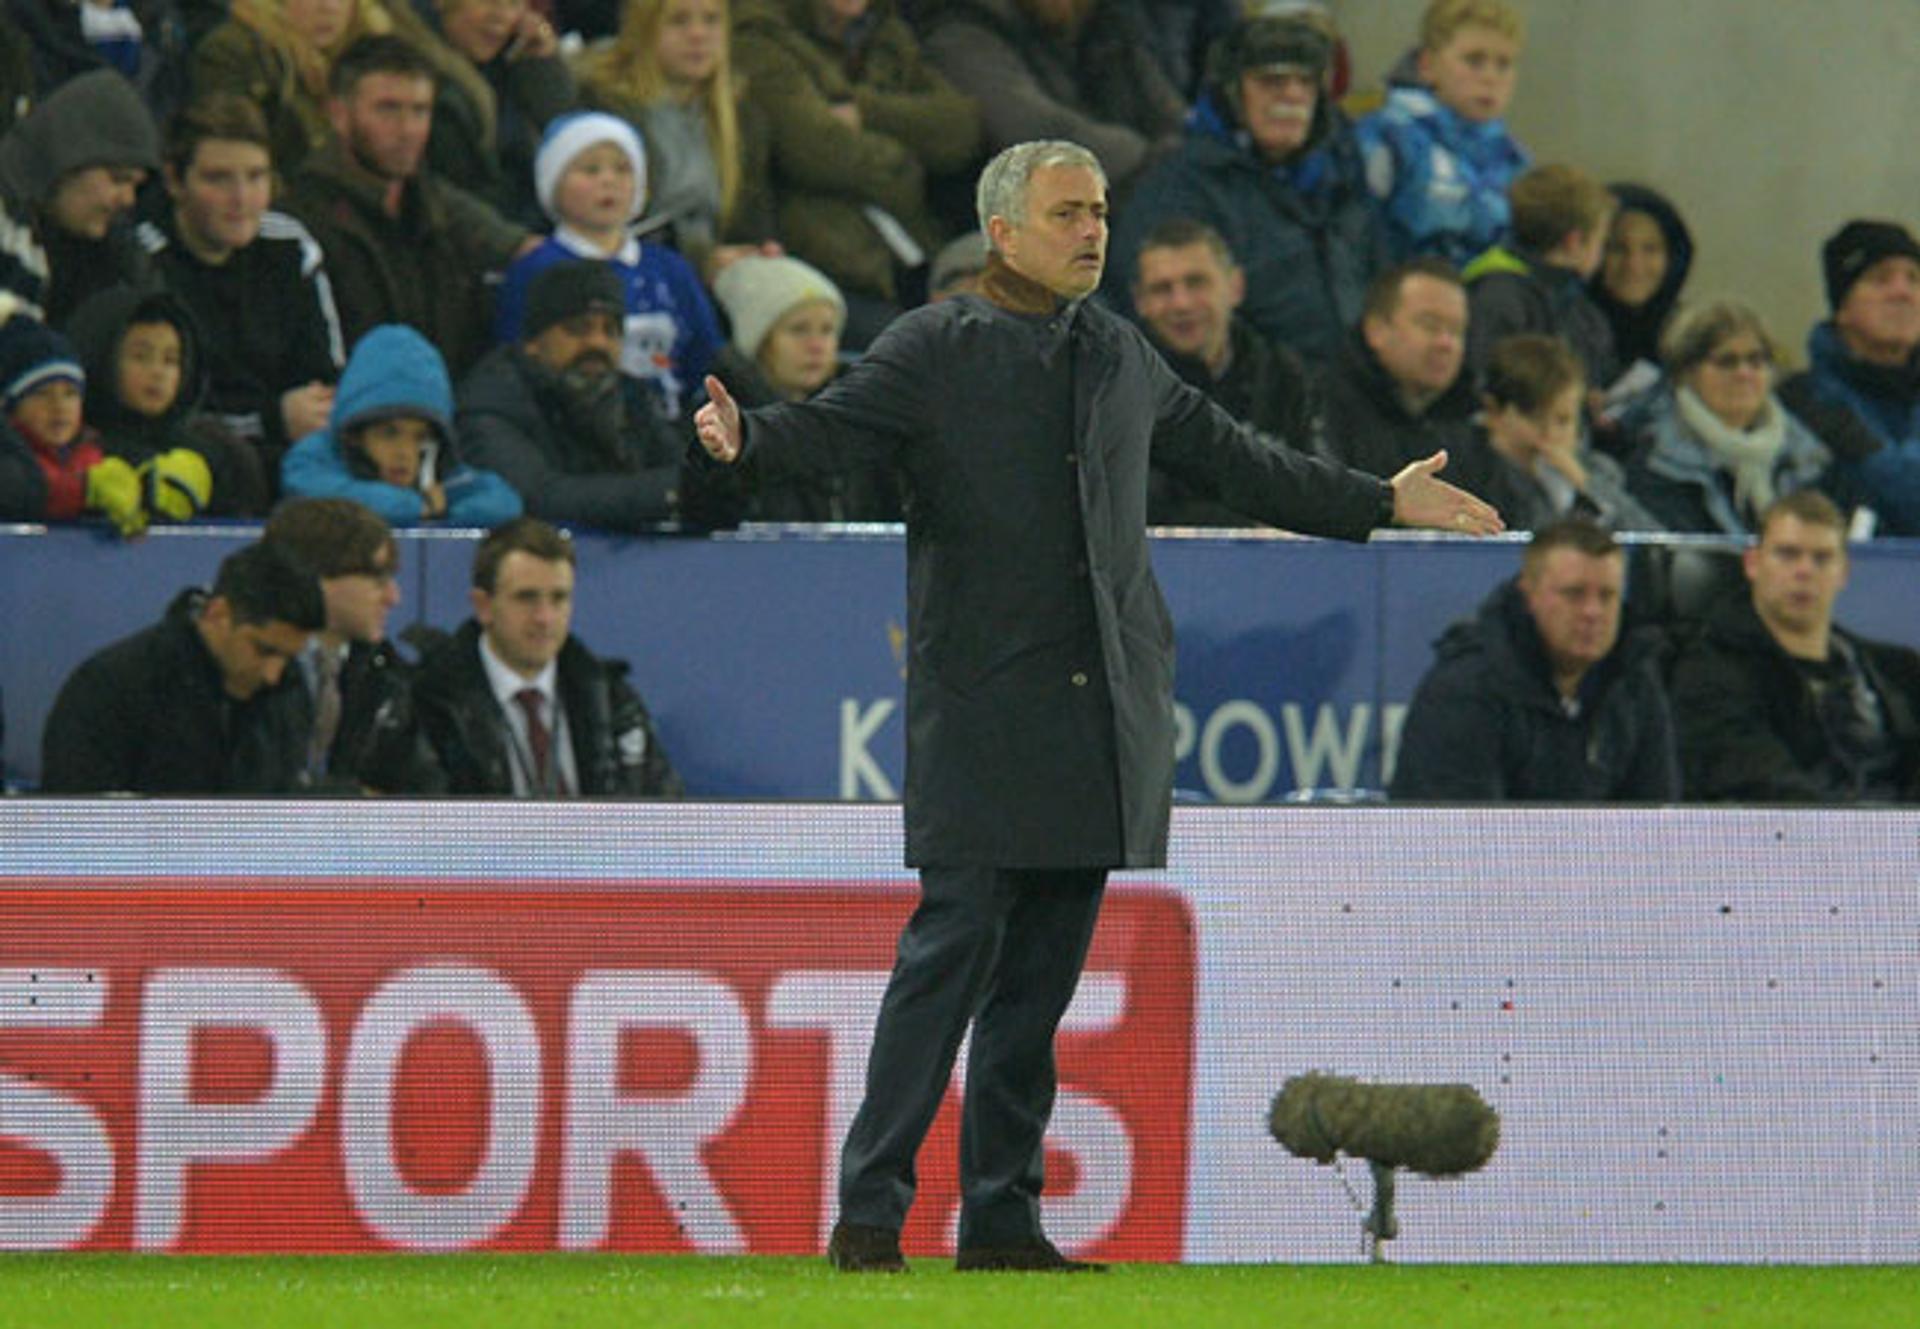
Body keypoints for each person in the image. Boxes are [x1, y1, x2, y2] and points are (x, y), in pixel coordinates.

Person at [692, 138, 1500, 1273]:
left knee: (1036, 991)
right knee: (948, 965)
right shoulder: (933, 346)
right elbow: (823, 432)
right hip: (982, 709)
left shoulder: (1120, 353)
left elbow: (1238, 459)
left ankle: (1003, 1220)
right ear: (1004, 233)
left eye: (1100, 211)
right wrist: (746, 442)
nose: (1093, 231)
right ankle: (870, 1214)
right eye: (1069, 212)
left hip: (1097, 711)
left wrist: (1377, 500)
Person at [1103, 10, 1385, 365]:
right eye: (1272, 82)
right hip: (1251, 395)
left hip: (1357, 387)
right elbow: (1156, 318)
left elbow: (1384, 278)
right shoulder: (1183, 188)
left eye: (1306, 82)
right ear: (1234, 92)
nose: (1292, 96)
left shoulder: (1343, 175)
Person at [282, 34, 532, 377]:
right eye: (388, 109)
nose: (408, 129)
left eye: (420, 111)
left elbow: (524, 249)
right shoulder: (301, 219)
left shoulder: (439, 206)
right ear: (339, 115)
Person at [1391, 515, 1678, 802]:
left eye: (1607, 596)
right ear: (1528, 595)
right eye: (1574, 594)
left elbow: (1656, 821)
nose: (1592, 612)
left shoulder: (1635, 680)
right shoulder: (1467, 688)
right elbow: (1456, 835)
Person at [140, 92, 344, 492]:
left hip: (294, 461)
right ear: (173, 180)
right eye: (218, 179)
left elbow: (325, 381)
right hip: (188, 463)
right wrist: (268, 420)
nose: (242, 199)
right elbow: (159, 408)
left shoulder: (290, 246)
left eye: (256, 177)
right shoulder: (143, 257)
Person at [1669, 490, 1920, 802]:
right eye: (1787, 554)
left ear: (1843, 572)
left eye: (1822, 558)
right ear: (1753, 563)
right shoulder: (1709, 672)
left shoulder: (1897, 671)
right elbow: (1755, 781)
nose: (1805, 571)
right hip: (1790, 842)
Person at [732, 0, 978, 316]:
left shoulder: (886, 32)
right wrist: (905, 162)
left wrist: (868, 112)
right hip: (823, 262)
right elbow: (817, 149)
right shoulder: (758, 35)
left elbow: (961, 128)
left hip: (910, 246)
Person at [412, 515, 684, 796]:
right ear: (483, 606)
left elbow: (665, 812)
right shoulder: (432, 703)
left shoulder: (611, 699)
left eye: (559, 598)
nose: (545, 617)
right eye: (526, 598)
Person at [38, 538, 323, 793]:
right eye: (263, 650)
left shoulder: (289, 691)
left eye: (288, 657)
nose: (273, 675)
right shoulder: (110, 689)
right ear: (218, 613)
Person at [460, 258, 726, 531]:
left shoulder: (632, 396)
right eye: (578, 328)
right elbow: (535, 498)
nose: (597, 343)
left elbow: (683, 471)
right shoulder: (492, 401)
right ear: (533, 343)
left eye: (611, 330)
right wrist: (674, 492)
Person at [493, 110, 721, 422]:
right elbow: (514, 358)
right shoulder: (535, 270)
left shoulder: (669, 268)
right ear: (553, 184)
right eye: (589, 169)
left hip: (670, 430)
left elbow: (704, 353)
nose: (608, 180)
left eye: (623, 169)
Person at [1129, 216, 1317, 525]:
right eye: (1162, 289)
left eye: (1196, 282)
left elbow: (1314, 489)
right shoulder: (1120, 387)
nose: (1182, 303)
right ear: (1140, 302)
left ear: (1235, 286)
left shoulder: (1284, 377)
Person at [574, 0, 780, 279]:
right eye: (679, 21)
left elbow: (751, 218)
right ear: (643, 31)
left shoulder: (742, 115)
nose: (698, 35)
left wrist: (757, 251)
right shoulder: (605, 107)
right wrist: (701, 261)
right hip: (634, 271)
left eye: (711, 20)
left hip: (718, 272)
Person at [1624, 299, 1856, 537]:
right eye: (1727, 362)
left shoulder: (1808, 458)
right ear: (1686, 373)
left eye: (1756, 361)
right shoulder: (1657, 463)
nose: (1744, 373)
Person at [261, 495, 443, 792]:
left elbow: (422, 790)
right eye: (377, 579)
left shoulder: (383, 677)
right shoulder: (247, 668)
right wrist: (352, 798)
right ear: (317, 576)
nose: (393, 597)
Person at [919, 0, 1184, 200]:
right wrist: (1148, 160)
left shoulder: (1106, 23)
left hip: (1134, 192)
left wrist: (1185, 157)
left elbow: (1170, 115)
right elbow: (1036, 134)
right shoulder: (960, 32)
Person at [712, 251, 898, 521]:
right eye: (799, 330)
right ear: (760, 342)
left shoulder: (862, 416)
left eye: (827, 330)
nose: (816, 346)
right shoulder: (720, 423)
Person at [283, 322, 521, 524]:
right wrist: (414, 506)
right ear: (354, 434)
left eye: (420, 437)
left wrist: (450, 510)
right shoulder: (316, 456)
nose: (405, 453)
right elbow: (314, 491)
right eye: (389, 433)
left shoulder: (437, 472)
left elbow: (503, 502)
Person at [65, 283, 267, 515]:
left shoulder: (217, 457)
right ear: (101, 358)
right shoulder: (73, 453)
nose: (158, 373)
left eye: (171, 360)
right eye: (141, 357)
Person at [1354, 0, 1528, 266]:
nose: (1490, 77)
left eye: (1504, 64)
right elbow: (1354, 242)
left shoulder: (1513, 159)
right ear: (1427, 66)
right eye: (1474, 60)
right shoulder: (1387, 137)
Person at [1777, 220, 1920, 536]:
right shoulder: (1801, 403)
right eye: (1880, 279)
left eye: (1914, 278)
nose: (1903, 292)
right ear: (1842, 307)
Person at [0, 311, 191, 536]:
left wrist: (153, 486)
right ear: (11, 406)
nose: (59, 407)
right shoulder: (9, 457)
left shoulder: (97, 452)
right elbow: (18, 488)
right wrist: (83, 491)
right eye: (41, 394)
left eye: (70, 394)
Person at [0, 67, 159, 326]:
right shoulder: (8, 237)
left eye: (136, 187)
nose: (128, 199)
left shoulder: (120, 260)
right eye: (118, 179)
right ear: (65, 161)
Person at [1470, 333, 1660, 533]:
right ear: (1493, 411)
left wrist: (1584, 483)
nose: (1550, 435)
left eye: (1563, 420)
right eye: (1535, 419)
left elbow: (1656, 546)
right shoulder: (1466, 467)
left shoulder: (1599, 471)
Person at [1314, 257, 1475, 482]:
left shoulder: (1464, 426)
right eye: (1430, 325)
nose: (1445, 343)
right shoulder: (1319, 408)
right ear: (1375, 330)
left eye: (1457, 331)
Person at [1461, 162, 1617, 393]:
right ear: (1574, 242)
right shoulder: (1500, 298)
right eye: (1601, 240)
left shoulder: (1577, 306)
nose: (1602, 253)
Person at [423, 0, 577, 228]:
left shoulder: (510, 64)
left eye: (513, 3)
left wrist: (542, 65)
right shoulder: (426, 84)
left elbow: (573, 146)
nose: (500, 16)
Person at [1587, 183, 1692, 382]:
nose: (1633, 264)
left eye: (1650, 249)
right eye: (1617, 248)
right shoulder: (1567, 329)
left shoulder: (1690, 335)